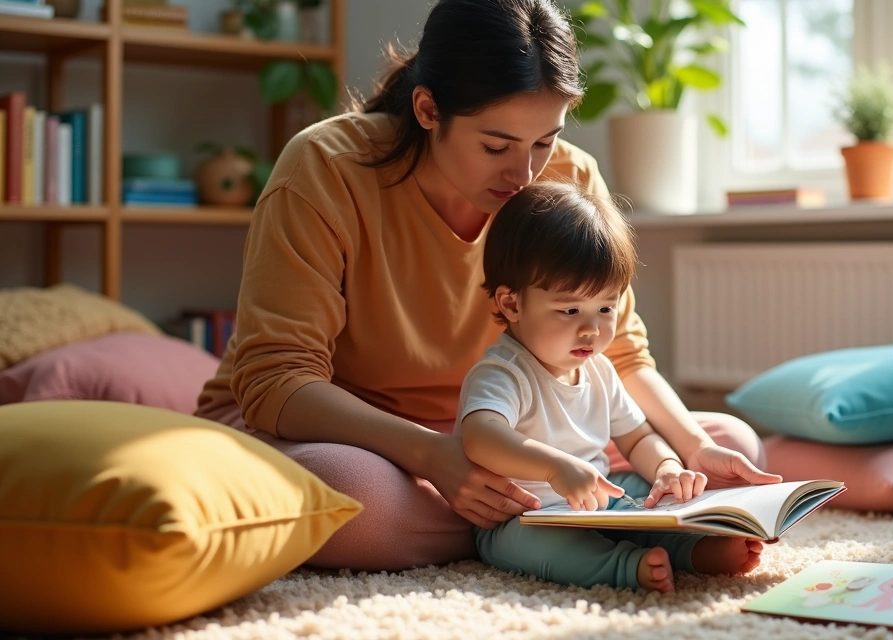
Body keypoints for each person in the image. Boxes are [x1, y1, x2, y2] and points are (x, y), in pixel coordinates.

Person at [194, 0, 780, 572]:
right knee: (355, 498)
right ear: (428, 109)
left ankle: (536, 522)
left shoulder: (570, 177)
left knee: (730, 441)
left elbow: (621, 352)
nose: (524, 173)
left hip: (516, 435)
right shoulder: (325, 168)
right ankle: (559, 522)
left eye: (544, 141)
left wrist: (691, 450)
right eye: (496, 146)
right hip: (357, 436)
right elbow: (278, 381)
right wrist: (434, 455)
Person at [459, 182, 765, 592]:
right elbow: (480, 437)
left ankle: (696, 551)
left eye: (606, 308)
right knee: (541, 545)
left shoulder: (599, 370)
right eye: (570, 310)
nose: (593, 329)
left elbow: (637, 436)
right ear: (512, 304)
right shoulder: (504, 372)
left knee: (655, 499)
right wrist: (554, 468)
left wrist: (667, 468)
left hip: (598, 504)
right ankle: (625, 567)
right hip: (524, 515)